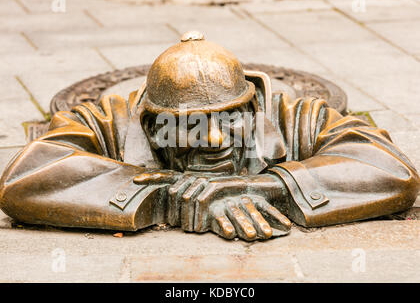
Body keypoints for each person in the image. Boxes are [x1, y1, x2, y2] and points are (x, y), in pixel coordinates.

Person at [1, 31, 418, 241]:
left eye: (231, 119)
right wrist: (167, 198)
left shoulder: (294, 116)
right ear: (150, 124)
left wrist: (263, 187)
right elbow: (24, 180)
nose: (215, 140)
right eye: (187, 126)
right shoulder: (107, 120)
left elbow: (392, 171)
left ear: (253, 108)